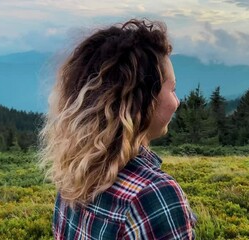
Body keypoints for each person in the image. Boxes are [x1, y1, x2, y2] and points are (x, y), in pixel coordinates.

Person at [39, 19, 196, 239]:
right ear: (140, 101)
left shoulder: (72, 179)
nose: (177, 102)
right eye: (172, 89)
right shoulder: (153, 194)